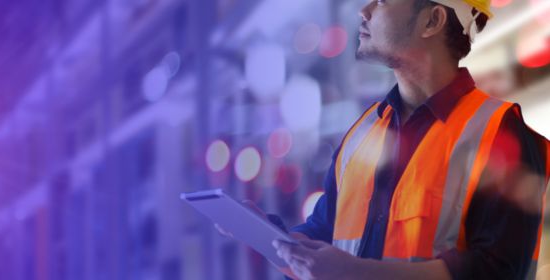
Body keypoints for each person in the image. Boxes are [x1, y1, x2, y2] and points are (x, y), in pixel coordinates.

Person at [220, 0, 550, 279]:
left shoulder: (501, 132)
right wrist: (268, 235)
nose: (364, 10)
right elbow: (325, 236)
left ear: (431, 20)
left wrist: (358, 273)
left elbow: (498, 269)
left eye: (383, 0)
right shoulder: (362, 133)